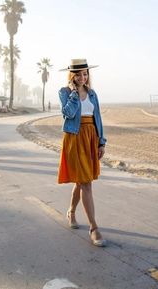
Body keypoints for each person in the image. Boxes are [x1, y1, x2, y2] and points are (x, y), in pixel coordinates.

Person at [58, 58, 107, 247]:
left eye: (85, 73)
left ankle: (71, 211)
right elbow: (68, 114)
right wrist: (74, 93)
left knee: (82, 181)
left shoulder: (93, 94)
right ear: (72, 76)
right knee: (85, 183)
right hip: (74, 138)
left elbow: (98, 119)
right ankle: (94, 228)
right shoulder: (65, 92)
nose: (82, 77)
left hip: (91, 138)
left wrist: (101, 142)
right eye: (78, 74)